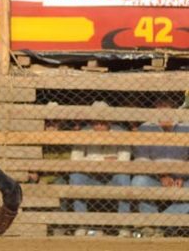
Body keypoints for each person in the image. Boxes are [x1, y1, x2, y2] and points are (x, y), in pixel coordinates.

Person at [69, 101, 131, 237]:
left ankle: (124, 225)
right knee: (76, 176)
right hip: (90, 176)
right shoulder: (84, 133)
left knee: (124, 177)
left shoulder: (120, 133)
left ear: (109, 121)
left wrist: (90, 162)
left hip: (112, 177)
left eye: (102, 122)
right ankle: (82, 224)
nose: (99, 126)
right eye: (96, 122)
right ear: (91, 121)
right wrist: (103, 161)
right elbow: (75, 159)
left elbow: (125, 159)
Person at [131, 98, 189, 238]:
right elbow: (141, 159)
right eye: (159, 106)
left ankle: (158, 225)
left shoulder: (186, 126)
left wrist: (182, 175)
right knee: (138, 182)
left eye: (166, 106)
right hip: (155, 177)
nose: (162, 110)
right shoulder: (145, 128)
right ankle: (153, 226)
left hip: (183, 178)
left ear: (174, 108)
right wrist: (161, 175)